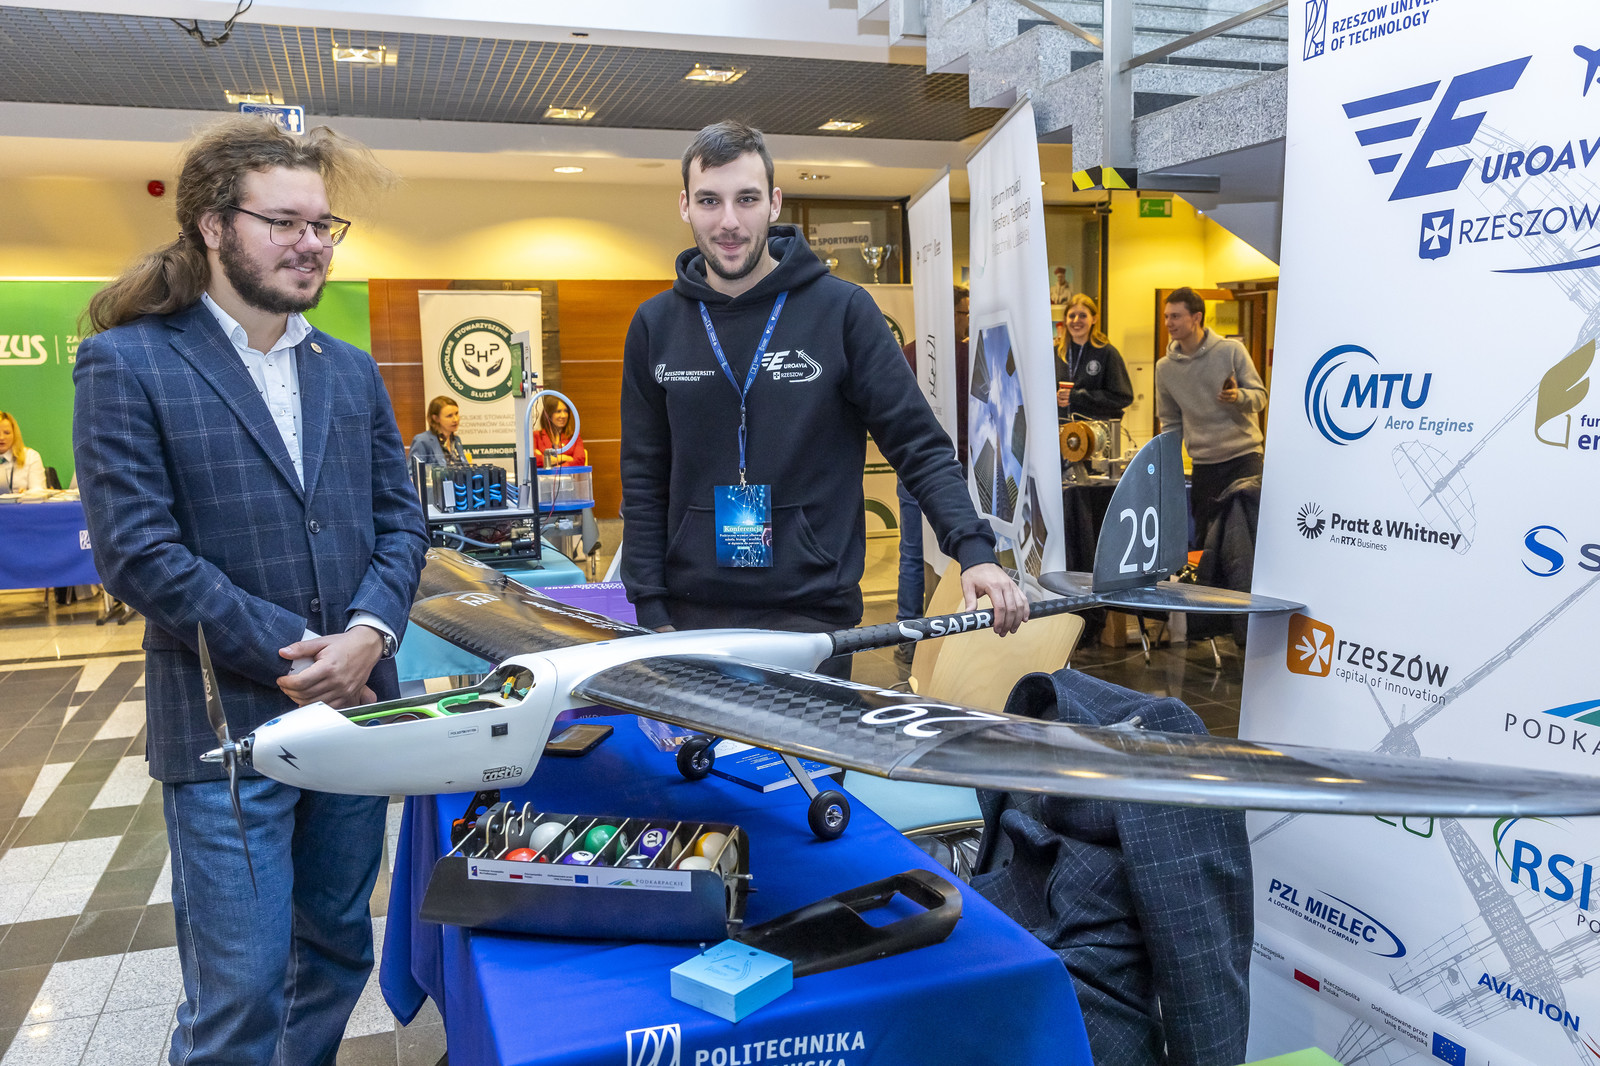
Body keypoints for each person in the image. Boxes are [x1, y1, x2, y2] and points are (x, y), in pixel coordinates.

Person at [73, 115, 428, 1066]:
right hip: (224, 723)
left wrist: (368, 634)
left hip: (357, 717)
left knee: (336, 952)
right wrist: (305, 655)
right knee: (239, 990)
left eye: (323, 225)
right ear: (213, 227)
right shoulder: (129, 362)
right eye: (284, 222)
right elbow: (137, 553)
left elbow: (402, 524)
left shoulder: (349, 371)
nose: (312, 243)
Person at [620, 121, 1027, 676]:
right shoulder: (655, 325)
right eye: (710, 200)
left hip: (813, 620)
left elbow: (918, 446)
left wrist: (974, 551)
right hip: (690, 621)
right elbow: (643, 474)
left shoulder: (842, 312)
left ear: (774, 203)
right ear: (685, 206)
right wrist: (650, 610)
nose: (729, 221)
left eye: (747, 199)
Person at [893, 284, 970, 665]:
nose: (967, 321)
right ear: (950, 314)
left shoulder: (906, 354)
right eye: (964, 313)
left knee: (911, 553)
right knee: (961, 551)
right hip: (958, 468)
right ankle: (954, 640)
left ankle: (906, 636)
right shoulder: (968, 356)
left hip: (910, 468)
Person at [1154, 286, 1267, 546]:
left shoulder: (1231, 350)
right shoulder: (1165, 368)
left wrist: (1238, 397)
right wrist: (1168, 465)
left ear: (1197, 317)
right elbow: (1170, 422)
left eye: (1176, 316)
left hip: (1244, 458)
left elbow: (1260, 397)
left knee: (1247, 539)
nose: (1169, 323)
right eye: (1167, 316)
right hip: (1204, 464)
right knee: (1207, 541)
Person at [1054, 293, 1133, 423]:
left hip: (1095, 429)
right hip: (1060, 428)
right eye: (1072, 316)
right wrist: (1055, 398)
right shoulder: (1056, 354)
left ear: (1094, 319)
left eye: (1083, 316)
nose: (1076, 320)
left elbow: (1123, 397)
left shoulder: (1107, 353)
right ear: (1065, 320)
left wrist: (1078, 397)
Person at [409, 394, 472, 465]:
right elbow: (413, 470)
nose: (455, 419)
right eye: (449, 416)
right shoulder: (422, 440)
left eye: (456, 414)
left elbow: (465, 467)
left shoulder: (456, 439)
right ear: (436, 418)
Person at [533, 396, 587, 467]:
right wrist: (565, 458)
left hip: (568, 474)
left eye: (566, 411)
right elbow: (533, 459)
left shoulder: (574, 437)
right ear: (548, 414)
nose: (563, 415)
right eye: (558, 411)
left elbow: (580, 460)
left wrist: (557, 466)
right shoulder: (536, 436)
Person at [0, 411, 48, 491]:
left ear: (14, 434)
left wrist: (26, 495)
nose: (1, 438)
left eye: (7, 433)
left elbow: (38, 491)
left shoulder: (31, 457)